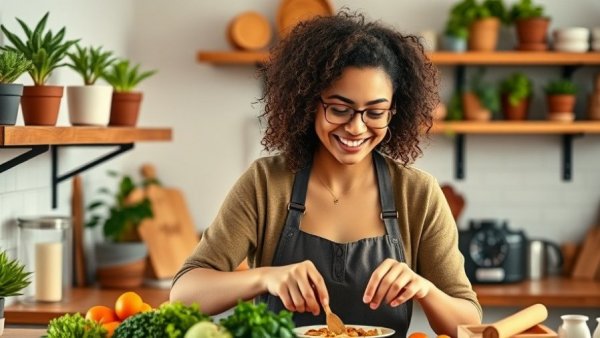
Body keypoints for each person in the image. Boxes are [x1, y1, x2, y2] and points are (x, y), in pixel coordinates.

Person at [171, 11, 481, 337]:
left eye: (375, 112)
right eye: (339, 108)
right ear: (310, 102)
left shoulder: (418, 193)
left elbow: (470, 321)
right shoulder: (266, 183)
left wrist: (424, 289)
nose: (356, 127)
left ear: (393, 112)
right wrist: (264, 277)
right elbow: (184, 291)